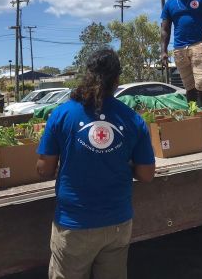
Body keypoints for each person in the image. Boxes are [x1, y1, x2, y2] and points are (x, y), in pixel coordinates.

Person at [37, 48, 156, 279]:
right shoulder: (133, 119)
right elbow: (147, 175)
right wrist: (119, 162)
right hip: (118, 224)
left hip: (74, 225)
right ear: (118, 80)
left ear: (87, 74)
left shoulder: (62, 114)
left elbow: (44, 170)